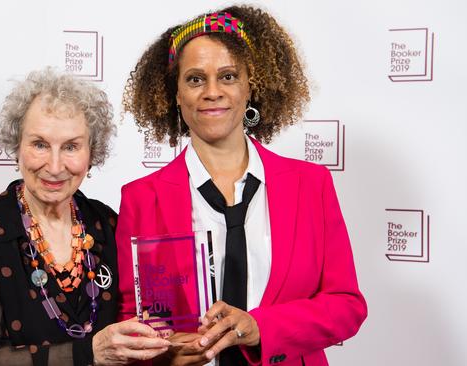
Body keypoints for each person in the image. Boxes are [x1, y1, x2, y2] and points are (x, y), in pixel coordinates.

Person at [117, 5, 367, 365]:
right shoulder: (141, 198)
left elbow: (346, 305)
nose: (212, 92)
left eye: (229, 76)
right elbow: (133, 313)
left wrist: (260, 327)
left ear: (252, 86)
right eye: (195, 79)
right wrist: (164, 352)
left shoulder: (311, 185)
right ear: (175, 94)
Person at [0, 68, 170, 366]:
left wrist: (156, 334)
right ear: (17, 147)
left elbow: (132, 317)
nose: (54, 165)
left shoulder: (108, 223)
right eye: (39, 144)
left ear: (92, 152)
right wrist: (87, 354)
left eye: (71, 147)